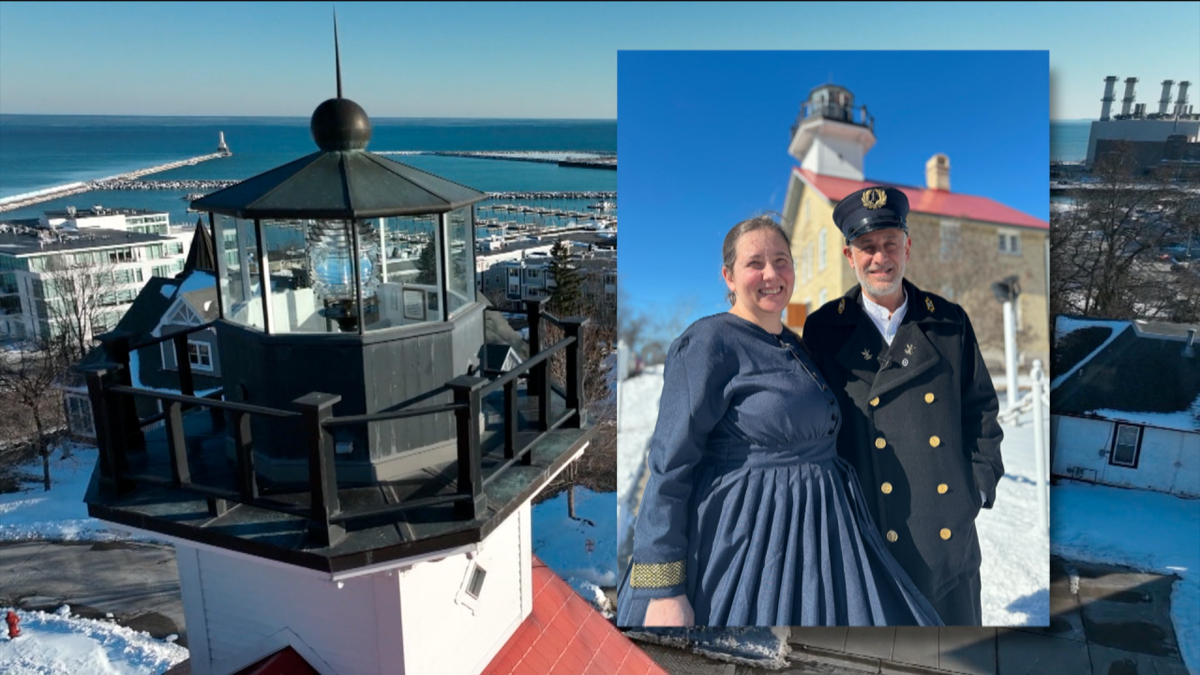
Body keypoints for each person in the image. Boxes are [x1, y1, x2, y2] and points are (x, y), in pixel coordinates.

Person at [616, 215, 942, 627]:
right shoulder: (708, 343)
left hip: (823, 534)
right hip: (748, 540)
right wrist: (663, 589)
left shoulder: (795, 345)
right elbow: (670, 464)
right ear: (729, 276)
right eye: (755, 263)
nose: (771, 274)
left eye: (781, 260)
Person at [802, 187, 1005, 626]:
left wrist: (977, 488)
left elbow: (983, 411)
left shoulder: (949, 321)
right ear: (848, 256)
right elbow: (814, 428)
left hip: (949, 545)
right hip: (869, 540)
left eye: (890, 243)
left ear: (907, 247)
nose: (880, 258)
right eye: (867, 247)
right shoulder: (824, 329)